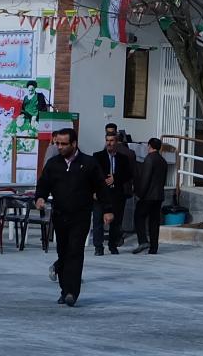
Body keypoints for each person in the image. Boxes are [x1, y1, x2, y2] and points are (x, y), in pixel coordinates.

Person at [34, 128, 108, 307]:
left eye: (63, 144)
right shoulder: (53, 164)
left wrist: (108, 209)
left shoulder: (88, 163)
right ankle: (64, 289)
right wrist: (40, 198)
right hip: (60, 216)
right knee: (63, 252)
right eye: (57, 143)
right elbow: (43, 184)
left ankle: (71, 293)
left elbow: (101, 187)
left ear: (74, 144)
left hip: (80, 216)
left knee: (75, 251)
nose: (59, 147)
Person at [90, 129, 134, 256]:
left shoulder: (123, 158)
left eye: (111, 141)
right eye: (107, 140)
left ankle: (113, 245)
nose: (109, 143)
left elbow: (128, 174)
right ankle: (98, 247)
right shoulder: (97, 156)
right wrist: (93, 191)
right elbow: (92, 174)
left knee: (116, 222)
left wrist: (115, 178)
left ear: (116, 142)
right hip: (100, 194)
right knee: (98, 221)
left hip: (116, 194)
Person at [131, 137, 169, 255]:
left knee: (138, 216)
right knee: (154, 221)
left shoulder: (149, 159)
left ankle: (143, 241)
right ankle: (154, 247)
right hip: (159, 195)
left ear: (149, 146)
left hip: (148, 195)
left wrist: (140, 194)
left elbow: (145, 179)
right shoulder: (163, 161)